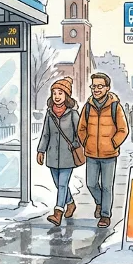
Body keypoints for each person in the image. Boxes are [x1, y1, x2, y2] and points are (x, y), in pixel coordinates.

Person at [77, 73, 129, 228]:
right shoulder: (87, 107)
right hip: (91, 153)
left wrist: (113, 143)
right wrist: (86, 142)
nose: (96, 89)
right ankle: (99, 203)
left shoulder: (115, 106)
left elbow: (123, 129)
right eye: (94, 86)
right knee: (91, 183)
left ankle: (105, 215)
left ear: (107, 88)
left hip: (109, 155)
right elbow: (81, 128)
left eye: (100, 86)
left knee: (107, 186)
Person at [37, 77, 81, 226]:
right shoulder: (49, 113)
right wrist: (41, 150)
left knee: (62, 184)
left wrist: (75, 143)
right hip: (52, 155)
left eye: (60, 93)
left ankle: (58, 212)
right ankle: (70, 202)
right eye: (54, 93)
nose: (57, 96)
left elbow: (80, 133)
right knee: (58, 184)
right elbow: (45, 133)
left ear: (66, 96)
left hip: (68, 155)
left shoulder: (73, 114)